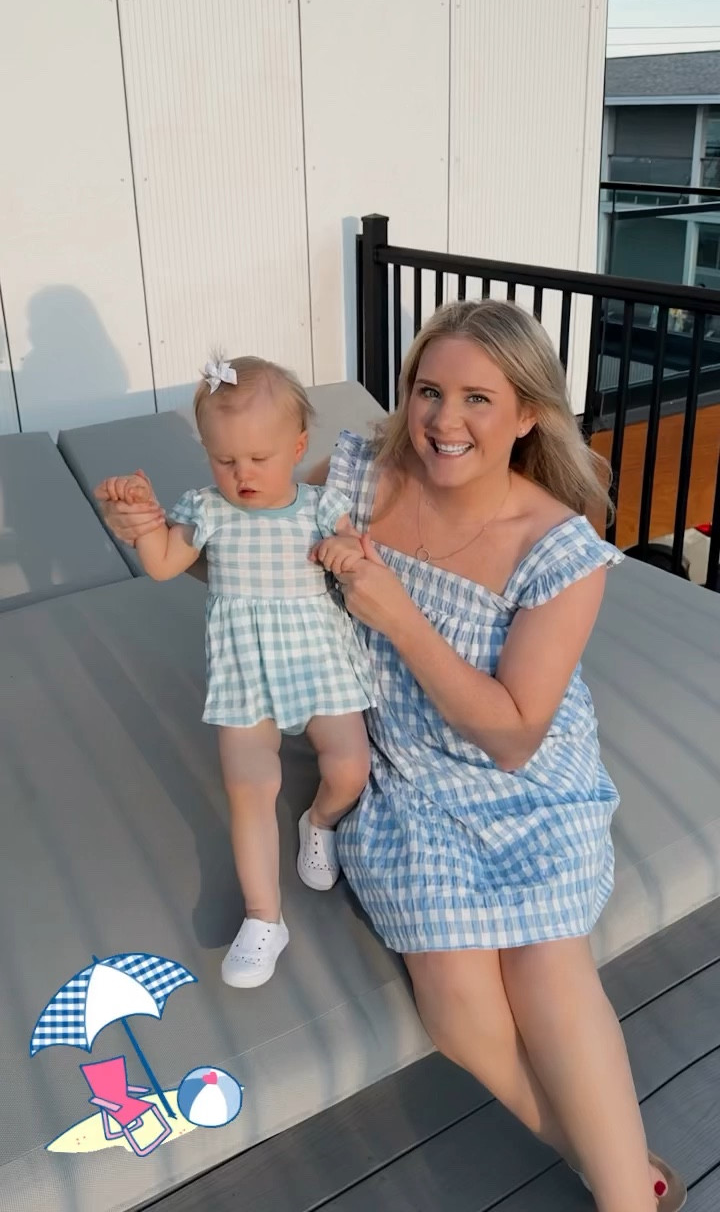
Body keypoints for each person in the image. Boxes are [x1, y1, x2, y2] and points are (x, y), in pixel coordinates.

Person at [100, 305, 685, 1212]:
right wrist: (151, 536)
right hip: (406, 777)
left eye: (478, 398)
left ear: (528, 415)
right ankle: (609, 1167)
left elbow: (514, 737)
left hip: (526, 780)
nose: (444, 420)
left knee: (547, 966)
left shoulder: (559, 551)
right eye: (428, 391)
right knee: (458, 1000)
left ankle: (622, 1201)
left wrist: (401, 619)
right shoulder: (363, 474)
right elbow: (263, 559)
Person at [95, 355, 373, 990]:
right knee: (251, 787)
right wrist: (145, 520)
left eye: (258, 458)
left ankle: (319, 821)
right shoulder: (208, 510)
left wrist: (345, 551)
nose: (242, 475)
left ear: (297, 447)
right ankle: (263, 917)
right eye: (225, 460)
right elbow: (163, 564)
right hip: (245, 673)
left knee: (350, 768)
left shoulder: (320, 505)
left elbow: (358, 555)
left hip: (319, 663)